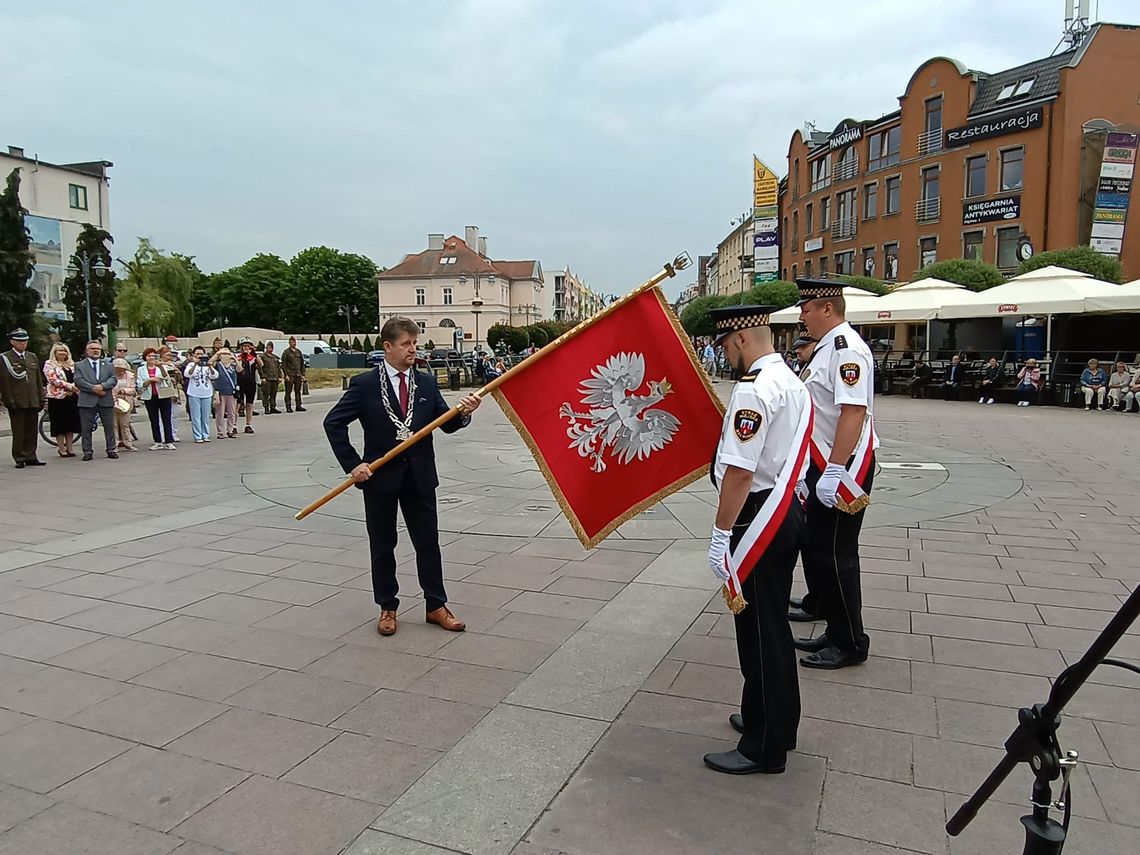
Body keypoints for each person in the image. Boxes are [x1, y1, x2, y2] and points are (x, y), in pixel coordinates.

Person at [323, 316, 482, 638]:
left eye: (415, 343)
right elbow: (333, 423)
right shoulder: (365, 384)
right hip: (380, 480)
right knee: (383, 545)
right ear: (388, 347)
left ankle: (436, 605)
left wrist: (463, 413)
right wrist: (354, 464)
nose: (413, 349)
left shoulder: (425, 382)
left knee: (428, 544)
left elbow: (445, 424)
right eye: (406, 344)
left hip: (420, 477)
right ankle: (387, 606)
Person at [702, 304, 810, 776]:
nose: (726, 356)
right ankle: (771, 719)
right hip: (786, 510)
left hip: (757, 518)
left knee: (761, 633)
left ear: (742, 340)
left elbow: (741, 473)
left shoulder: (753, 392)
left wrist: (721, 532)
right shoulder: (791, 381)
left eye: (726, 347)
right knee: (769, 626)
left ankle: (764, 746)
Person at [792, 279, 877, 670]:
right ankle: (834, 624)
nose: (801, 316)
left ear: (827, 309)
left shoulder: (847, 352)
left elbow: (852, 413)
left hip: (841, 466)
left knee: (836, 554)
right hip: (822, 462)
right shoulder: (827, 348)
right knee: (818, 549)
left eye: (806, 309)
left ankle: (851, 641)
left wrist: (836, 470)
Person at [1, 328, 46, 467]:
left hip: (32, 398)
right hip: (17, 399)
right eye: (20, 341)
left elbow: (38, 379)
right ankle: (20, 457)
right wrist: (8, 400)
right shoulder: (6, 358)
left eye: (25, 341)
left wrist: (41, 398)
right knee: (19, 430)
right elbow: (4, 381)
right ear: (12, 342)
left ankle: (31, 455)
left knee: (32, 430)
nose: (23, 344)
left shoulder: (32, 356)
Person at [74, 340, 119, 461]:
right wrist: (93, 388)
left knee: (109, 427)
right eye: (92, 349)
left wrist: (102, 386)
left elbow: (113, 379)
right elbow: (78, 380)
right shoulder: (79, 365)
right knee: (86, 428)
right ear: (87, 351)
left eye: (98, 349)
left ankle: (111, 449)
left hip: (105, 400)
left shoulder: (108, 365)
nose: (95, 351)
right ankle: (87, 451)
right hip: (87, 401)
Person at [43, 342, 81, 458]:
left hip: (72, 397)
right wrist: (69, 386)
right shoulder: (49, 364)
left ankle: (70, 447)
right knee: (59, 423)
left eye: (64, 351)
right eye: (60, 351)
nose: (62, 353)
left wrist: (74, 387)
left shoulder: (72, 364)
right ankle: (61, 448)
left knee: (70, 423)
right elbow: (52, 379)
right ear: (54, 352)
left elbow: (78, 377)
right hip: (57, 398)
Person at [136, 347, 176, 450]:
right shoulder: (141, 369)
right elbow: (140, 384)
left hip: (163, 395)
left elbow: (167, 379)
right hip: (150, 396)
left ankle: (169, 441)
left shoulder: (161, 367)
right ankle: (157, 441)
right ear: (145, 357)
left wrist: (161, 367)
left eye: (153, 356)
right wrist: (149, 380)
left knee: (166, 418)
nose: (152, 358)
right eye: (149, 356)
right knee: (154, 420)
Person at [183, 346, 218, 443]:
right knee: (196, 416)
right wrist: (195, 364)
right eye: (197, 354)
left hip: (206, 392)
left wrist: (210, 365)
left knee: (205, 416)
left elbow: (215, 375)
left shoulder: (207, 365)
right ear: (193, 355)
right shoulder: (190, 365)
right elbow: (187, 374)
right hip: (194, 393)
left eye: (201, 354)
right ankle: (198, 435)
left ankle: (205, 434)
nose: (199, 356)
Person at [235, 338, 262, 433]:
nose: (246, 348)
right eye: (244, 346)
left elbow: (261, 364)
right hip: (240, 382)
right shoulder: (238, 356)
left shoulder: (253, 357)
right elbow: (239, 370)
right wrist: (242, 358)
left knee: (249, 403)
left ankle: (248, 424)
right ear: (241, 347)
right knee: (237, 403)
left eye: (248, 346)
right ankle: (233, 425)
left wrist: (254, 353)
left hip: (251, 382)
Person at [111, 358, 138, 452]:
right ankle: (114, 444)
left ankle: (128, 443)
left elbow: (133, 389)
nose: (119, 370)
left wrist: (124, 391)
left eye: (122, 368)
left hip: (125, 401)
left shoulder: (130, 376)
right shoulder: (109, 376)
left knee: (125, 424)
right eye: (117, 368)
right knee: (113, 424)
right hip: (113, 401)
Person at [211, 348, 239, 438]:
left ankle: (230, 429)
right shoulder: (218, 365)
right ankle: (220, 431)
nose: (226, 355)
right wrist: (218, 353)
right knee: (220, 412)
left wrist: (235, 359)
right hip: (220, 391)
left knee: (232, 412)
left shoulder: (233, 365)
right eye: (224, 354)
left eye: (227, 353)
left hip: (231, 391)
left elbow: (240, 369)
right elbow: (210, 362)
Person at [158, 345, 183, 441]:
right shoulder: (158, 365)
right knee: (163, 414)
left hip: (174, 391)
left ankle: (174, 433)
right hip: (163, 390)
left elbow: (180, 379)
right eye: (166, 353)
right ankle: (163, 434)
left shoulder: (173, 365)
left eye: (170, 353)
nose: (169, 355)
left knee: (174, 414)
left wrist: (178, 372)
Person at [282, 336, 306, 413]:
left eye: (294, 342)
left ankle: (298, 405)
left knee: (298, 391)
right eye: (292, 342)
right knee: (288, 391)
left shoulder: (298, 351)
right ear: (289, 343)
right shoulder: (286, 352)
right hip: (290, 374)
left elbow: (302, 363)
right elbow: (284, 364)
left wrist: (303, 374)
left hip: (298, 374)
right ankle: (288, 406)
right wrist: (286, 375)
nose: (293, 343)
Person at [261, 342, 282, 414]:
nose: (270, 349)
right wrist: (262, 377)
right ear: (266, 348)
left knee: (273, 394)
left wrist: (280, 376)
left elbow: (278, 368)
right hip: (267, 378)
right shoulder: (263, 357)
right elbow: (260, 368)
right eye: (268, 347)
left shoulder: (275, 357)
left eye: (271, 348)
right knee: (266, 394)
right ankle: (266, 408)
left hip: (275, 378)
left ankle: (273, 407)